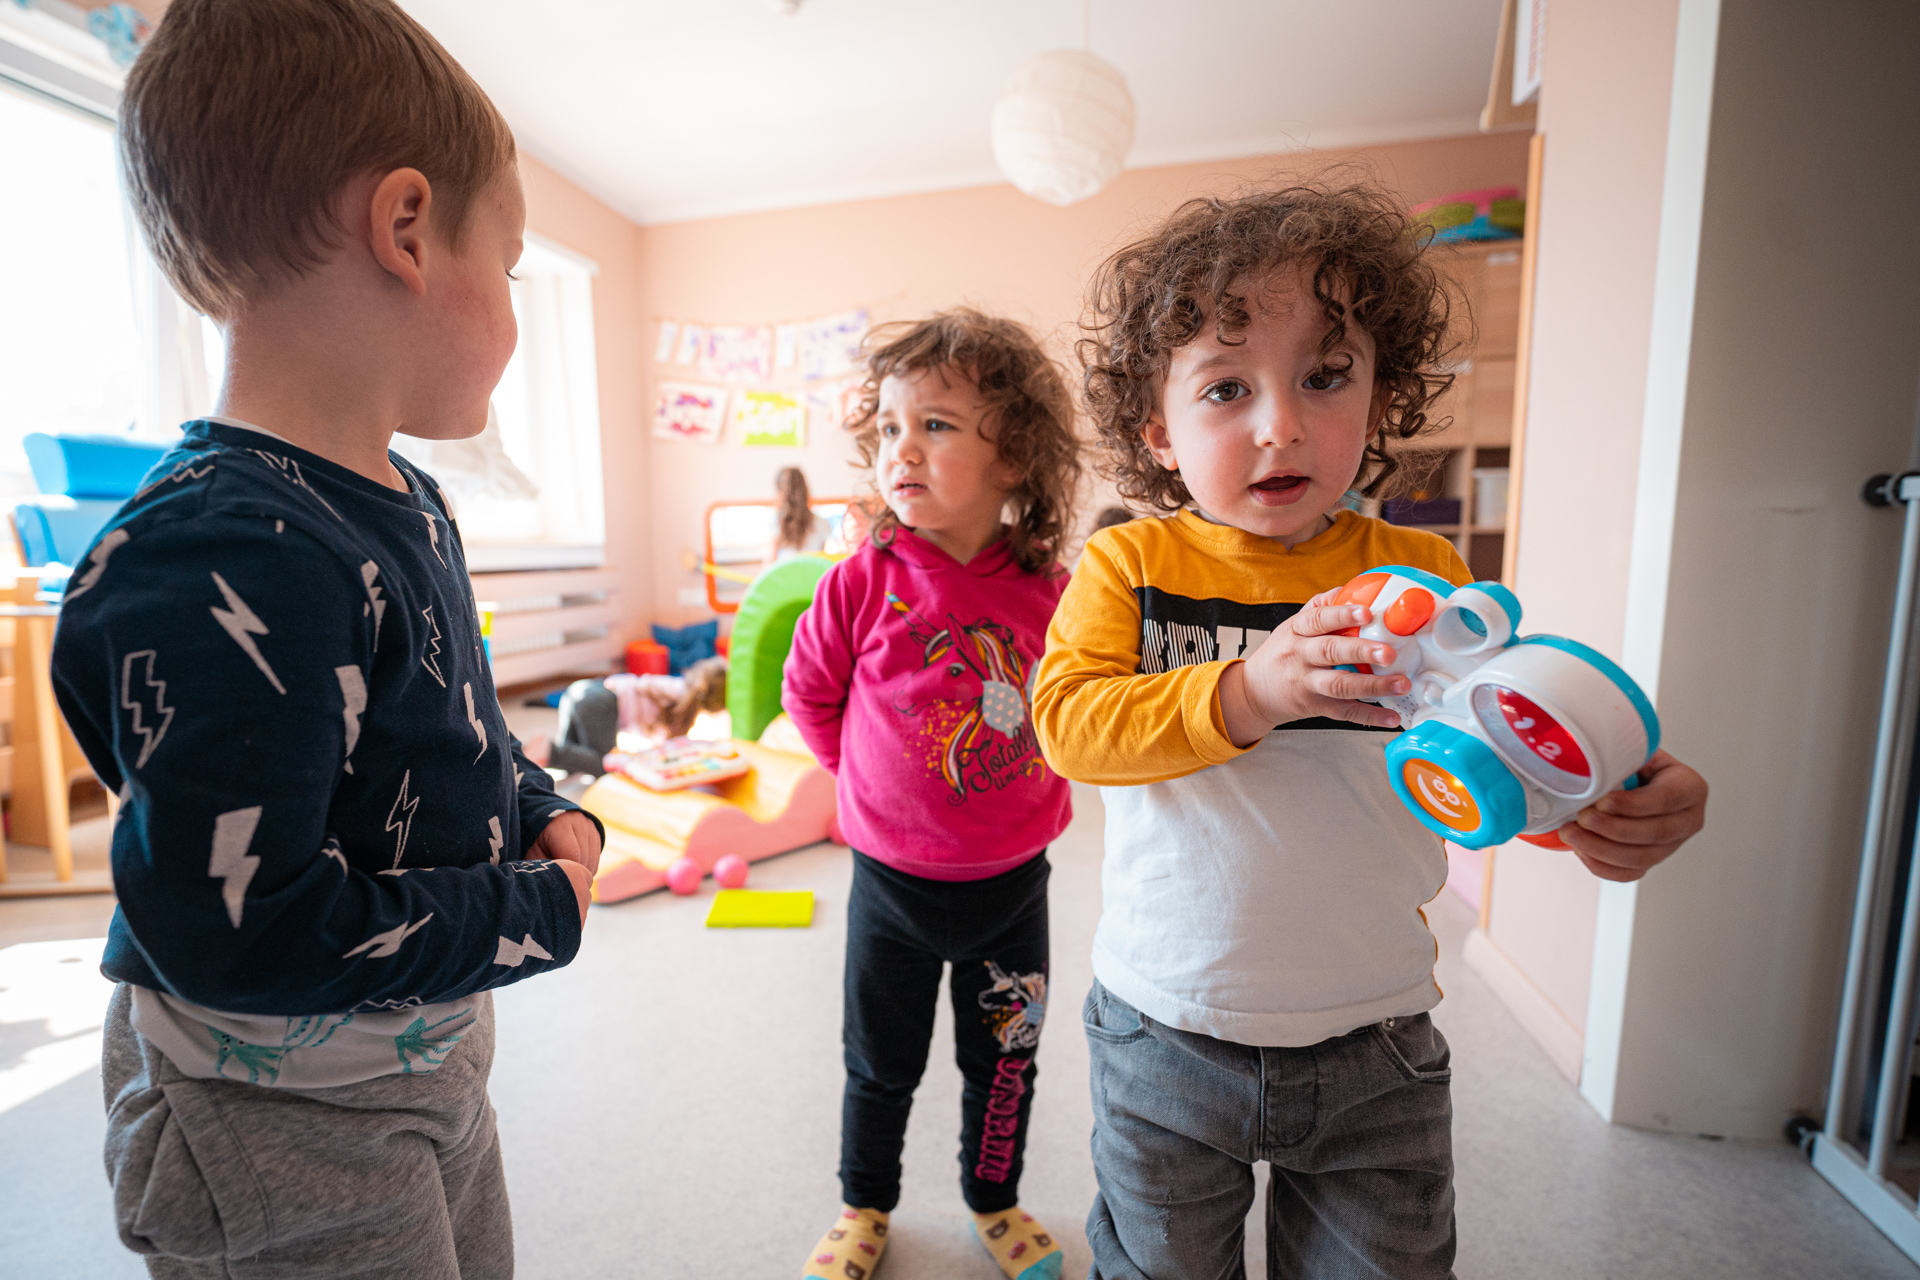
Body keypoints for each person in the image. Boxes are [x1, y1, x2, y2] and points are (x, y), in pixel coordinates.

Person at [1032, 182, 1710, 1279]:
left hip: (1376, 1036)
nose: (1281, 423)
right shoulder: (1133, 566)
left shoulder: (1427, 572)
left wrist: (1602, 801)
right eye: (1225, 387)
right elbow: (1068, 724)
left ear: (1378, 393)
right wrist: (1251, 689)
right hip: (1166, 1029)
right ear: (1159, 430)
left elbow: (1487, 757)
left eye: (1325, 376)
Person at [49, 3, 603, 1276]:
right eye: (511, 268)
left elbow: (435, 722)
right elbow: (242, 928)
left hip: (418, 1048)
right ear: (408, 227)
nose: (514, 313)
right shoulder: (225, 553)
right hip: (277, 1115)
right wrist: (539, 908)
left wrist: (530, 797)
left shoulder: (408, 497)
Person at [783, 309, 1085, 1280]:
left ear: (1016, 460)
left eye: (938, 425)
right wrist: (865, 785)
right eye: (889, 429)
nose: (901, 449)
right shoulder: (861, 580)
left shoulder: (1055, 591)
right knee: (881, 1063)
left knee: (1005, 1063)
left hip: (1012, 887)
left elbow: (1082, 709)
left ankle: (992, 1200)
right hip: (891, 889)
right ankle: (864, 1203)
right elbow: (810, 693)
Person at [524, 656, 729, 776]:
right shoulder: (684, 699)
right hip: (600, 702)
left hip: (583, 690)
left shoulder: (677, 685)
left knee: (575, 759)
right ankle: (548, 748)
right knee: (604, 765)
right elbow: (669, 744)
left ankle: (546, 750)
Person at [769, 465, 831, 562]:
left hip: (785, 576)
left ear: (780, 494)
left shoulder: (777, 522)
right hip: (814, 575)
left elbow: (770, 561)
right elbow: (822, 561)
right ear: (805, 490)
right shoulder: (822, 523)